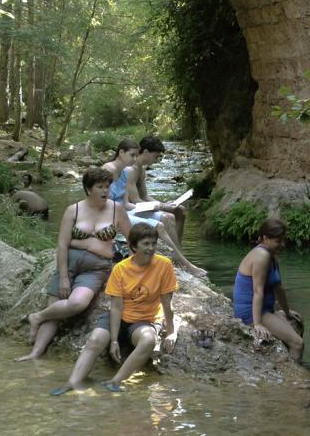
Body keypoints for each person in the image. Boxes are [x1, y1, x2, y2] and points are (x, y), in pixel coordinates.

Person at [17, 168, 132, 362]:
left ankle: (36, 317)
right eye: (100, 187)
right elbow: (62, 244)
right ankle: (36, 353)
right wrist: (63, 277)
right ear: (88, 189)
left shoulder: (116, 209)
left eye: (107, 186)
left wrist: (133, 267)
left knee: (77, 303)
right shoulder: (74, 210)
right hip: (69, 263)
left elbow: (132, 240)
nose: (105, 191)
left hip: (97, 267)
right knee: (55, 307)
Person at [55, 222, 178, 393]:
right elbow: (116, 307)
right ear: (134, 246)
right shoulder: (120, 269)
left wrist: (171, 331)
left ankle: (116, 380)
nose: (151, 248)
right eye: (146, 244)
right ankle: (72, 382)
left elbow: (166, 302)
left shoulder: (164, 265)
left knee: (148, 340)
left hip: (144, 320)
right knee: (95, 339)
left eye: (153, 243)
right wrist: (113, 340)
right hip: (119, 317)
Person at [107, 138, 208, 278]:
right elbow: (128, 200)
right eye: (132, 155)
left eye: (135, 156)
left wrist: (161, 206)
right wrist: (158, 207)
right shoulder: (117, 170)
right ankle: (184, 262)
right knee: (164, 220)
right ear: (121, 152)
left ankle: (179, 256)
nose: (134, 159)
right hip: (118, 213)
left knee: (174, 213)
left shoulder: (129, 171)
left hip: (126, 209)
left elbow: (130, 202)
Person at [233, 218, 303, 360]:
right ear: (265, 238)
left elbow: (279, 287)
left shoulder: (271, 255)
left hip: (266, 310)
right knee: (298, 344)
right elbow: (258, 291)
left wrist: (287, 311)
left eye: (283, 240)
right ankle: (296, 377)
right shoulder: (261, 256)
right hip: (250, 312)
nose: (282, 244)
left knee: (298, 321)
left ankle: (292, 362)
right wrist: (257, 323)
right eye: (278, 241)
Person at [126, 136, 186, 240]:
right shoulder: (131, 169)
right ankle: (175, 253)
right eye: (155, 156)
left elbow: (144, 196)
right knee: (168, 216)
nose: (156, 160)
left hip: (140, 207)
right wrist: (162, 206)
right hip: (130, 209)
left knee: (180, 210)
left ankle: (178, 248)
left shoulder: (141, 169)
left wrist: (165, 205)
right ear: (145, 151)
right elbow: (135, 200)